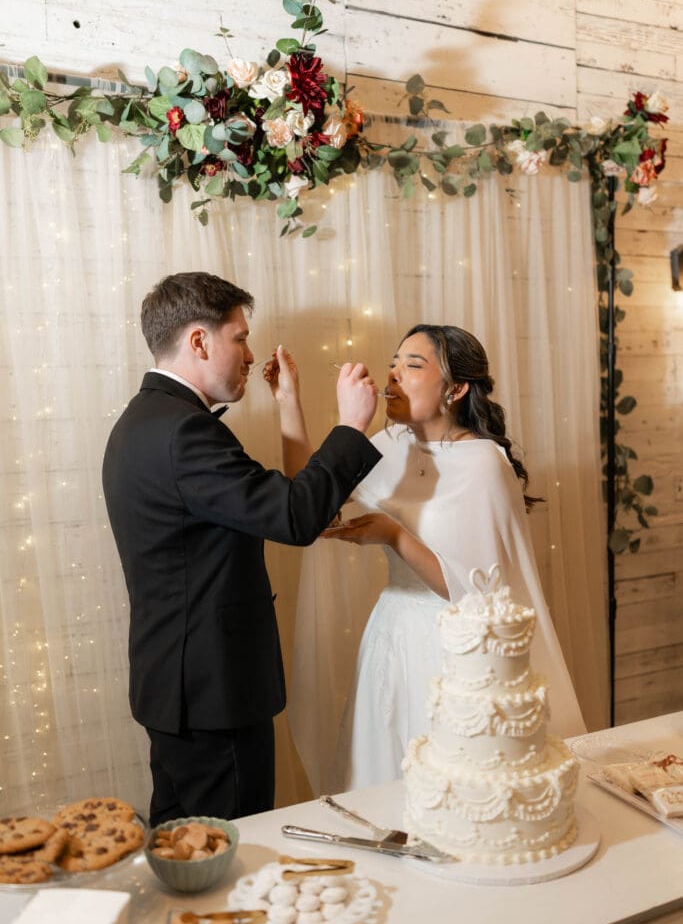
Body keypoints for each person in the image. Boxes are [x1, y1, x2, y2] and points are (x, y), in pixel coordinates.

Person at [102, 271, 381, 824]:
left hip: (177, 687)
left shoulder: (142, 423)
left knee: (183, 854)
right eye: (240, 337)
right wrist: (352, 424)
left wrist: (288, 403)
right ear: (200, 341)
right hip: (214, 696)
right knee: (232, 857)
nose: (250, 354)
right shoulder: (185, 433)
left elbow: (289, 500)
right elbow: (297, 517)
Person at [289, 323, 586, 794]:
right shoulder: (389, 446)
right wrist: (288, 400)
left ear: (457, 387)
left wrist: (392, 534)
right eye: (392, 364)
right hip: (390, 635)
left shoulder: (483, 463)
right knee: (381, 784)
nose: (393, 376)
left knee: (452, 794)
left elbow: (480, 597)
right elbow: (307, 502)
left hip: (453, 653)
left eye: (412, 365)